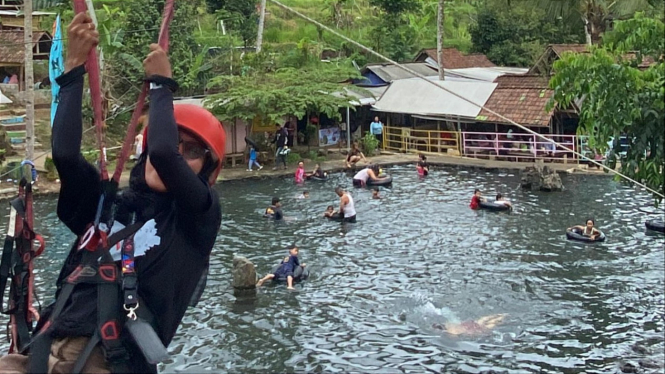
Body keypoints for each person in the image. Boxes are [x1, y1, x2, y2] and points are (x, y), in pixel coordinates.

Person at [0, 14, 225, 374]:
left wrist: (161, 85)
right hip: (40, 354)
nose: (178, 153)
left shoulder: (196, 221)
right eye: (174, 141)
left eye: (193, 151)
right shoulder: (109, 210)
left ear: (207, 171)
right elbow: (66, 156)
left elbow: (166, 154)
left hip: (107, 363)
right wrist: (73, 69)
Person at [432, 314, 506, 336]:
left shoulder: (451, 332)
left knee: (490, 325)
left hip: (471, 330)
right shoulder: (448, 324)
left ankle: (502, 318)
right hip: (467, 324)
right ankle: (502, 315)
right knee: (483, 319)